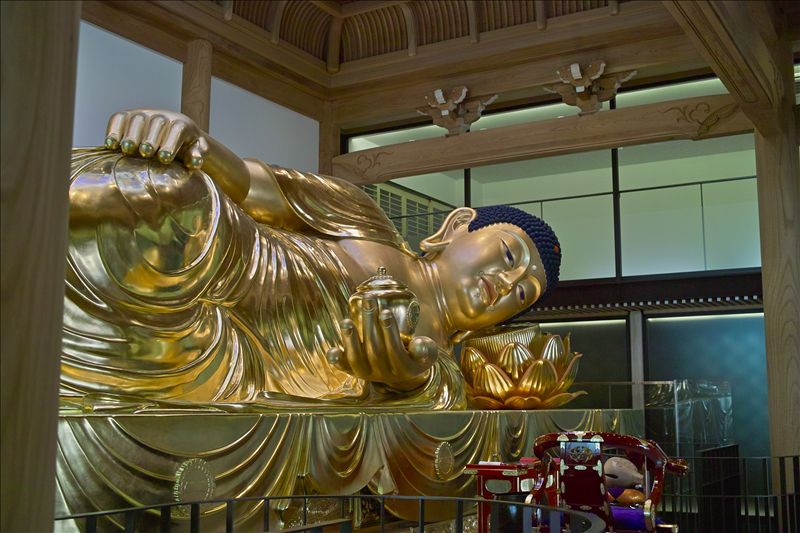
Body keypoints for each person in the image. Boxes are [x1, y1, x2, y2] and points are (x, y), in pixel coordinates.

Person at [61, 109, 561, 411]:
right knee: (166, 193)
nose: (507, 282)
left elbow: (423, 421)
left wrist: (403, 381)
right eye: (508, 254)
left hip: (224, 357)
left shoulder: (439, 373)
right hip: (227, 253)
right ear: (457, 226)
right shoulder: (365, 217)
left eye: (523, 293)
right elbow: (249, 186)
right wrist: (195, 142)